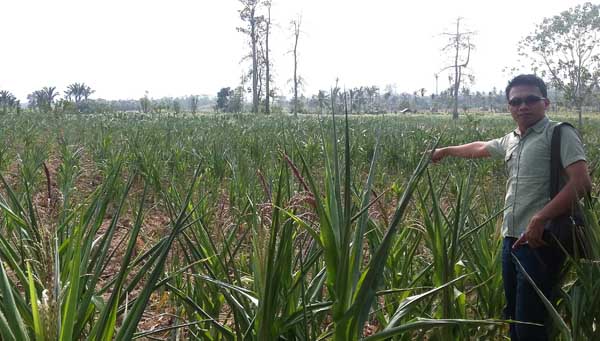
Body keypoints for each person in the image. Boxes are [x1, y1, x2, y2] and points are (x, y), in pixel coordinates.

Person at [431, 74, 592, 340]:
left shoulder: (560, 133)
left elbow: (581, 183)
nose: (523, 106)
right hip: (511, 240)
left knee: (531, 322)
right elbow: (481, 147)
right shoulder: (512, 139)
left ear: (546, 103)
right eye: (516, 101)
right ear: (509, 107)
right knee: (515, 316)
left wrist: (540, 218)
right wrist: (446, 150)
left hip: (541, 241)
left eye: (531, 99)